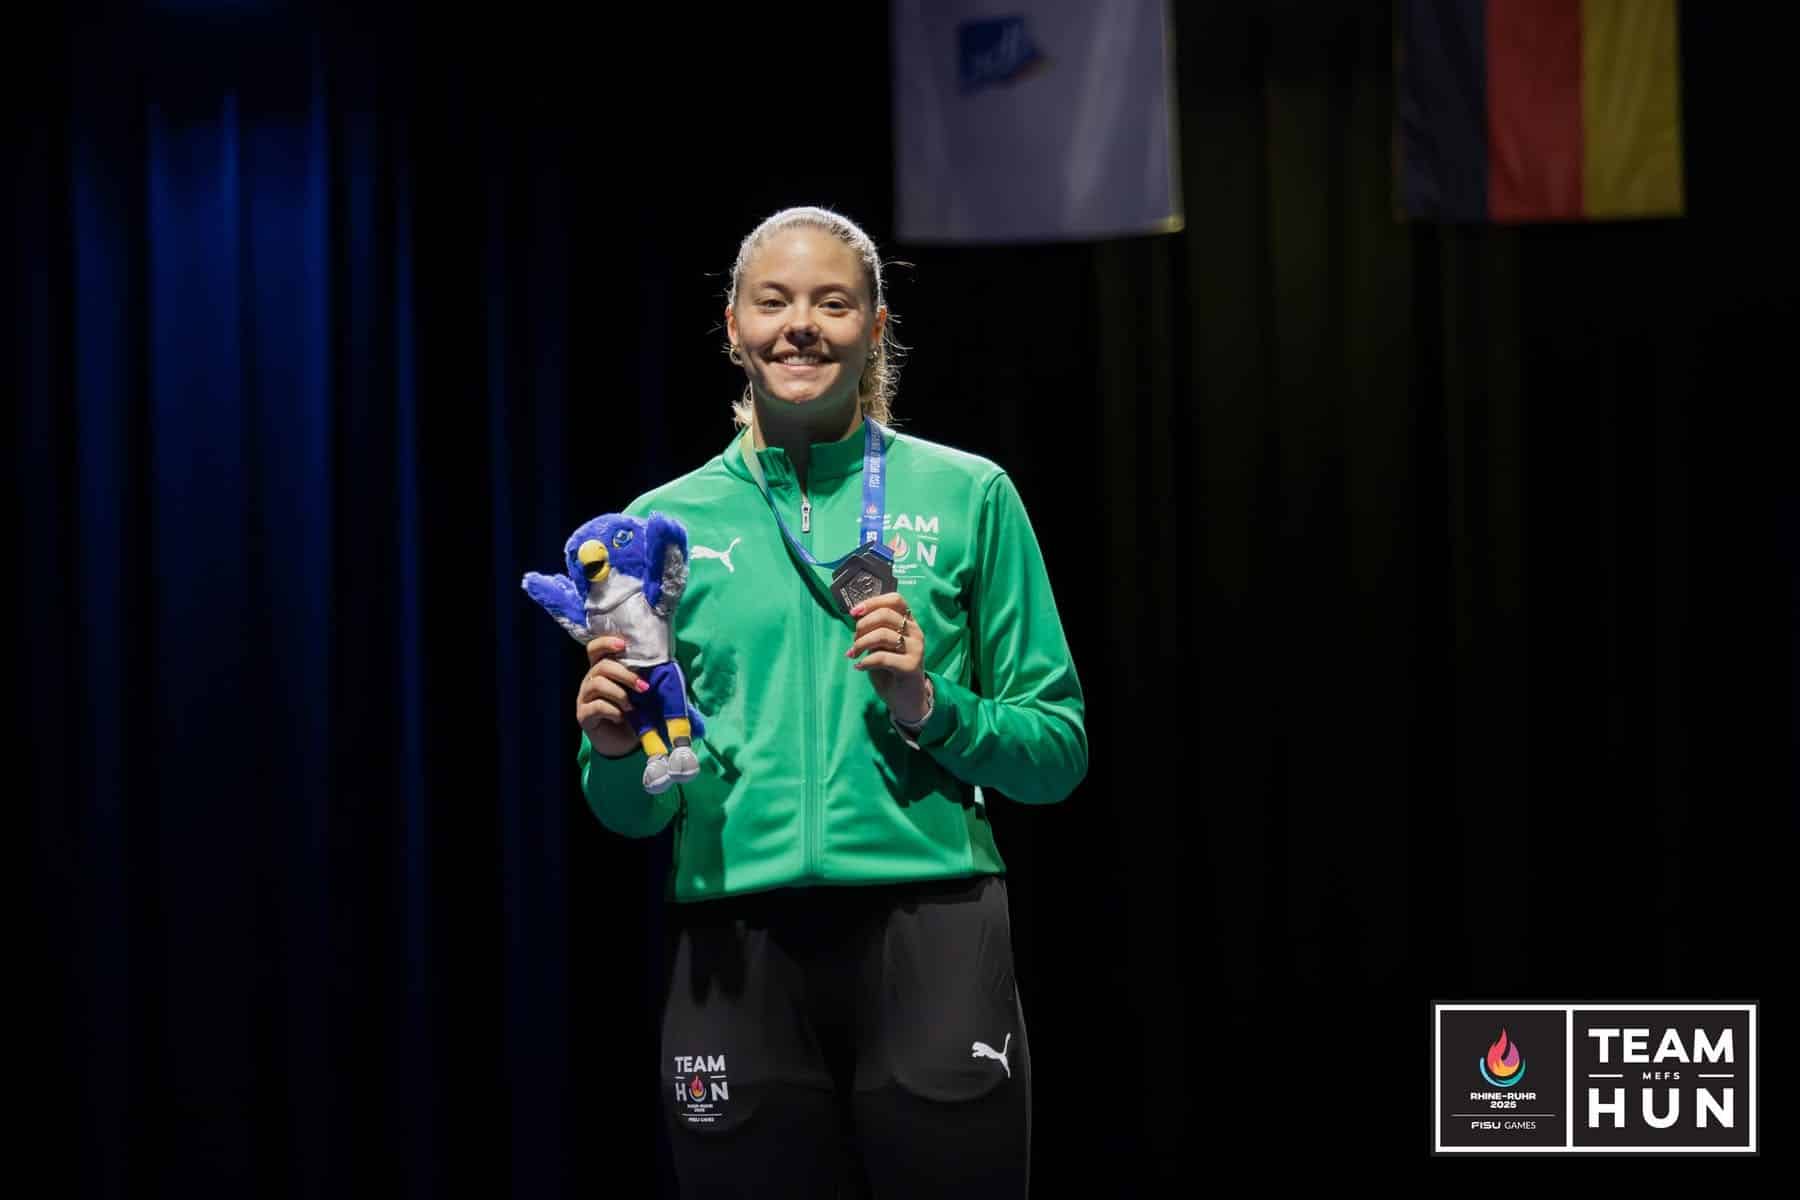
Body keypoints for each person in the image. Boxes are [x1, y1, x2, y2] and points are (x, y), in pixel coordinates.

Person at [574, 206, 1086, 1199]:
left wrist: (931, 706)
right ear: (734, 326)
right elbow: (629, 814)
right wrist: (615, 751)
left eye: (832, 303)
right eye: (774, 302)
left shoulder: (971, 494)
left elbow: (1057, 753)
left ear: (875, 327)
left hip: (935, 927)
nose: (800, 325)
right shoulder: (657, 528)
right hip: (736, 944)